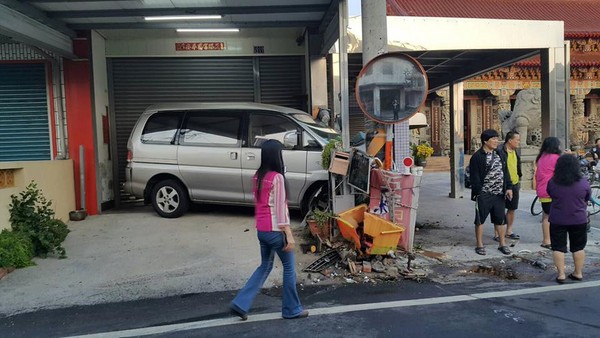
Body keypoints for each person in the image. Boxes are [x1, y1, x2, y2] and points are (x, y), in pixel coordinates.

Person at [230, 139, 308, 320]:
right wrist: (289, 234)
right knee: (289, 268)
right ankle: (292, 309)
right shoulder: (277, 178)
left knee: (265, 266)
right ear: (277, 156)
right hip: (275, 231)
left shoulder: (258, 176)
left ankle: (241, 303)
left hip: (262, 231)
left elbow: (260, 204)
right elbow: (281, 209)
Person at [469, 129, 513, 256]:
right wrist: (478, 192)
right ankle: (479, 244)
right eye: (493, 139)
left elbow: (506, 172)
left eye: (496, 138)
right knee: (480, 220)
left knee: (500, 220)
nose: (496, 141)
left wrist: (508, 187)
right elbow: (474, 177)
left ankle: (502, 244)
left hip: (499, 193)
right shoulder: (477, 157)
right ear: (485, 141)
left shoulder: (500, 153)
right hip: (484, 194)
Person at [547, 154, 590, 283]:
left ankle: (561, 274)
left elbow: (551, 194)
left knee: (558, 247)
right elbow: (587, 197)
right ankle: (578, 273)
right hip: (578, 219)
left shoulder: (553, 182)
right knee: (578, 247)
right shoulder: (583, 182)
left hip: (558, 219)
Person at [535, 137, 563, 250]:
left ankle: (546, 240)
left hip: (542, 191)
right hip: (553, 191)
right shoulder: (556, 158)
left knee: (546, 216)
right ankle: (551, 240)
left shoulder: (541, 158)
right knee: (553, 217)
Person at [495, 131, 522, 242]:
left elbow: (517, 164)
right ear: (510, 140)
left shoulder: (516, 151)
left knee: (512, 208)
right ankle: (497, 233)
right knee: (499, 209)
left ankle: (509, 231)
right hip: (502, 184)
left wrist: (519, 176)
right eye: (517, 140)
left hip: (514, 183)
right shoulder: (500, 151)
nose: (519, 142)